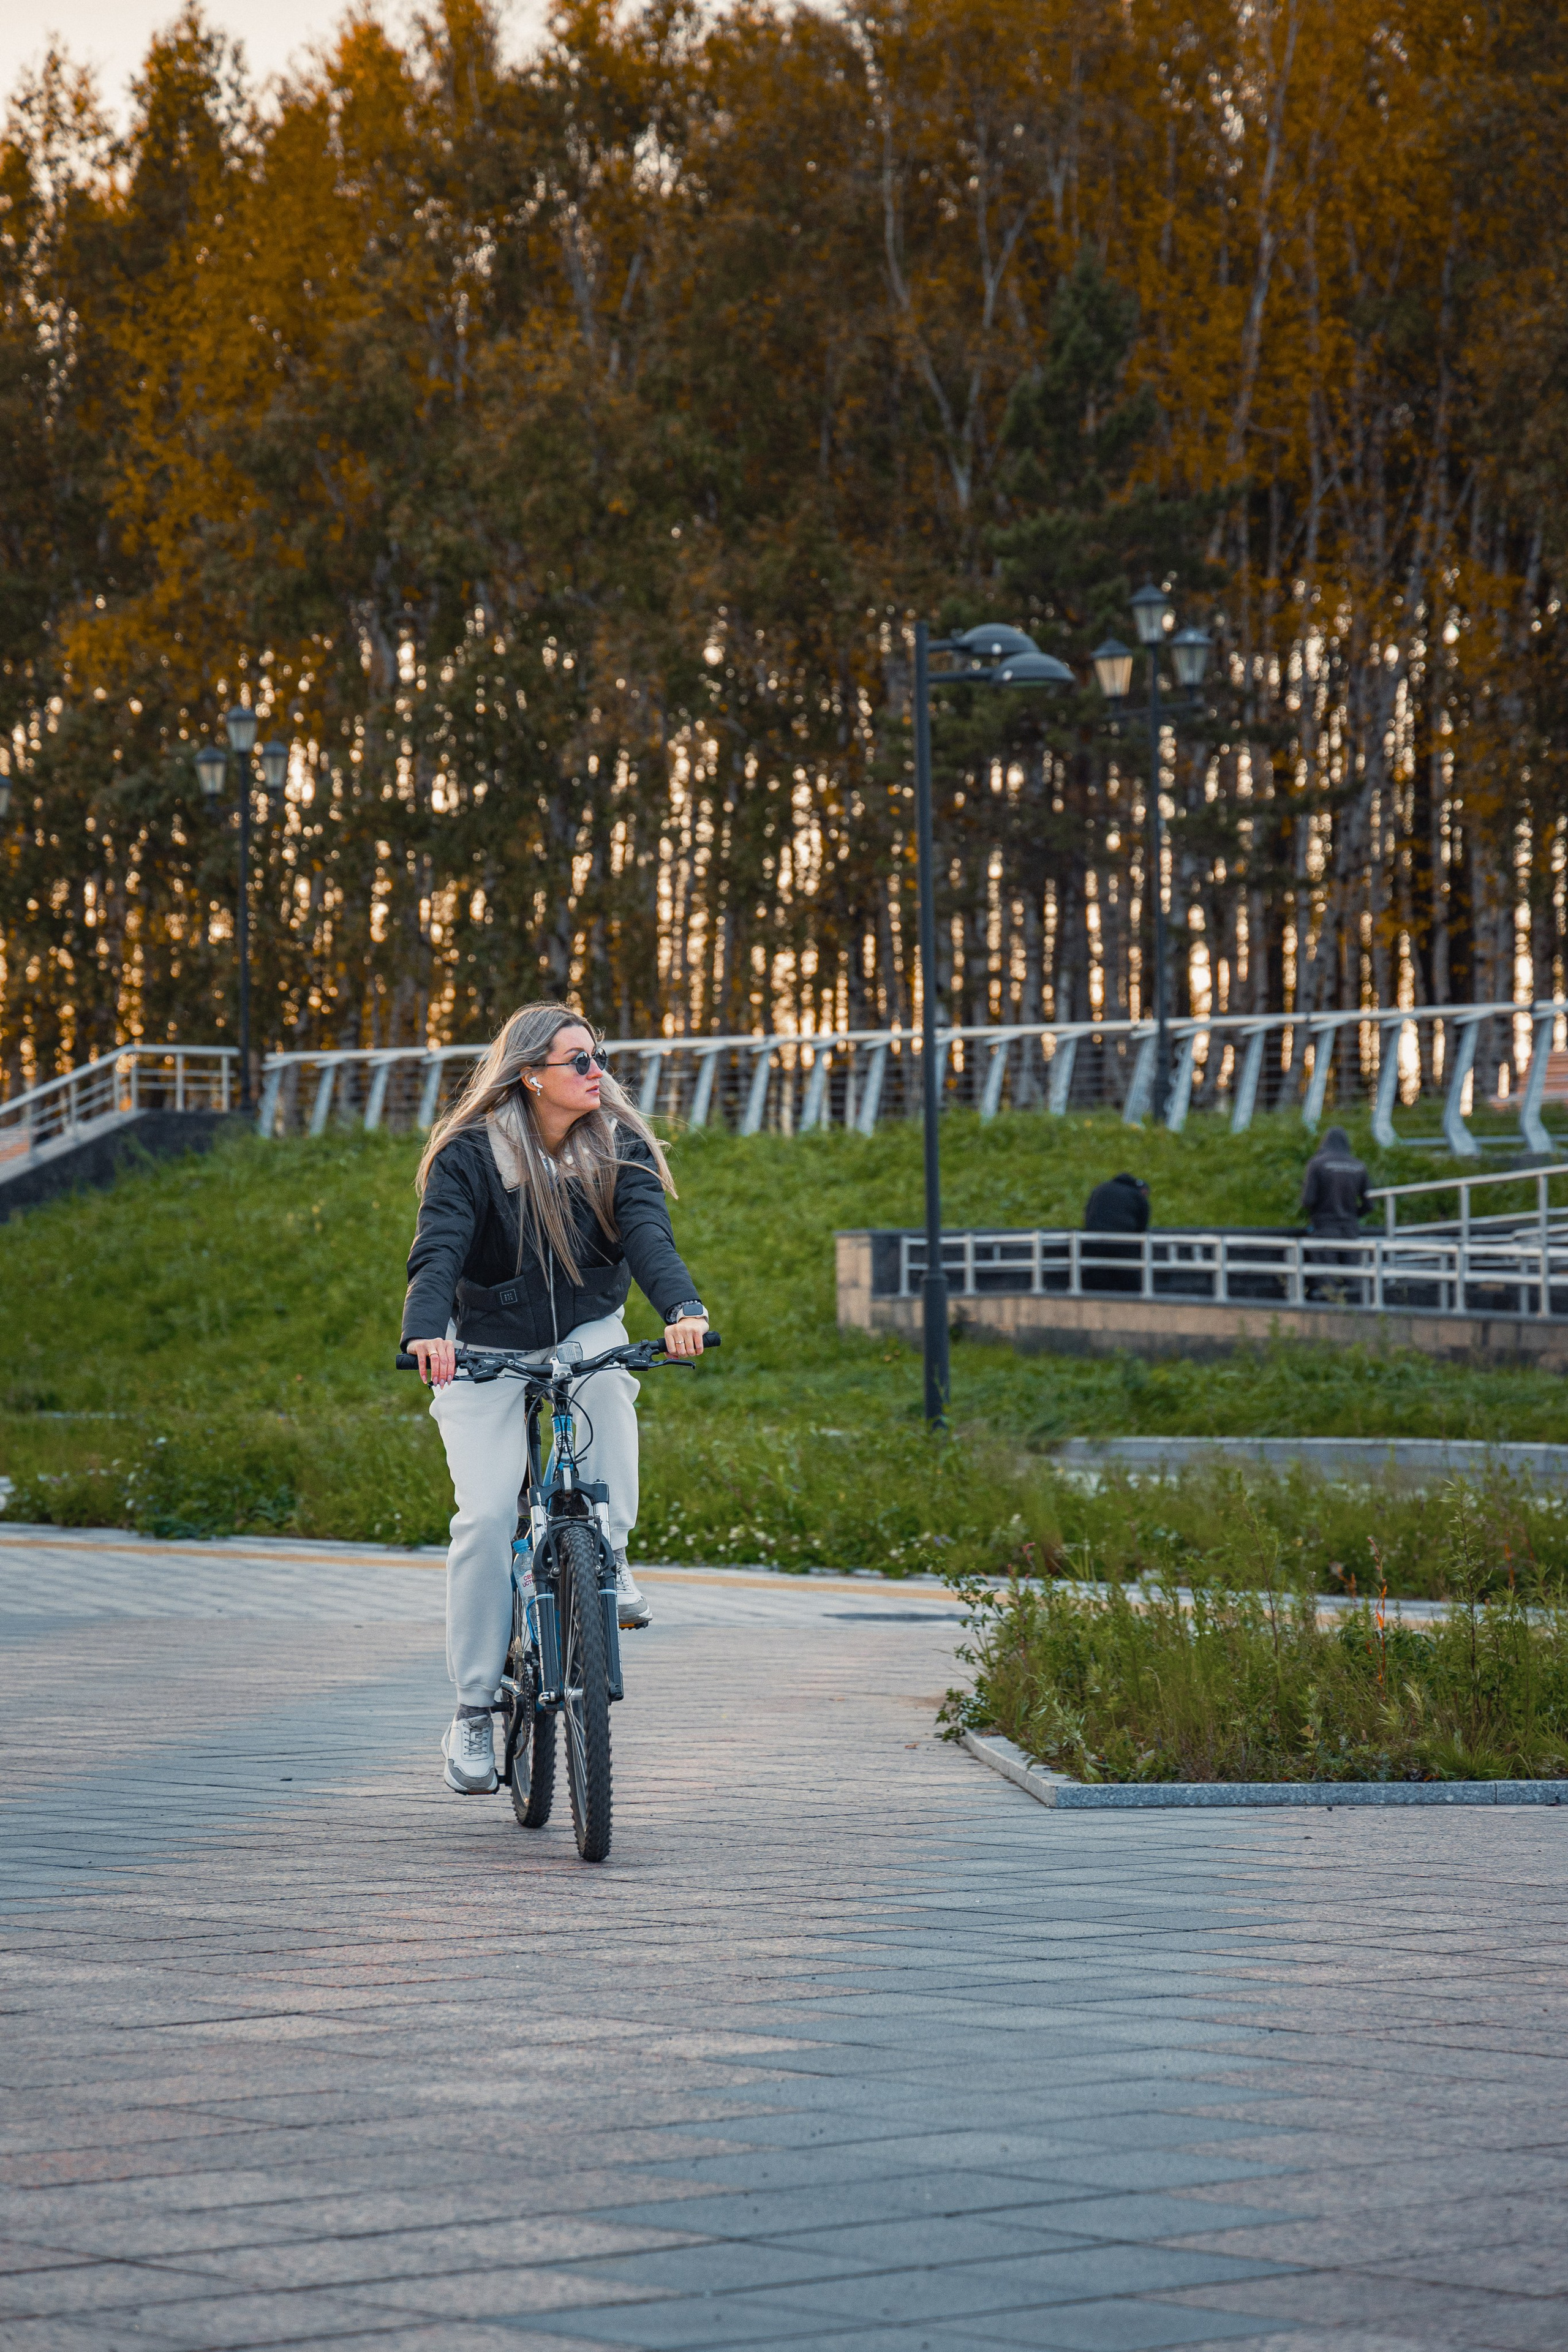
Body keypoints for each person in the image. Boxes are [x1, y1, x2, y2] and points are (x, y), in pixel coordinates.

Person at [401, 1002, 710, 1796]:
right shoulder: (471, 1157)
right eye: (576, 1061)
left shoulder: (618, 1143)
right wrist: (426, 1332)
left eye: (596, 1055)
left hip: (582, 1326)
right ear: (530, 1074)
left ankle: (610, 1545)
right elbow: (438, 1249)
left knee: (608, 1379)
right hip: (484, 1348)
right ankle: (473, 1707)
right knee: (484, 1516)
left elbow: (648, 1235)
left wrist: (682, 1309)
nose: (594, 1071)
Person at [1300, 1125, 1370, 1302]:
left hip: (1325, 1229)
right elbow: (1370, 1203)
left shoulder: (1317, 1164)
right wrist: (1353, 1215)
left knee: (1326, 1278)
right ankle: (1358, 1317)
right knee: (1354, 1278)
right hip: (1351, 1230)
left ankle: (1329, 1316)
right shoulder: (1358, 1166)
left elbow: (1307, 1201)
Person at [1084, 1172, 1151, 1232]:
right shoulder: (1136, 1195)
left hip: (1093, 1237)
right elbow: (1142, 1225)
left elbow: (1087, 1213)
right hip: (1124, 1240)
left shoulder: (1100, 1188)